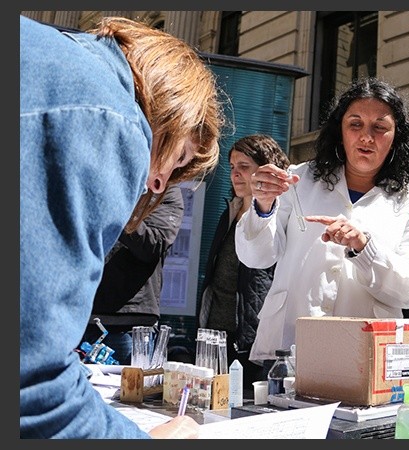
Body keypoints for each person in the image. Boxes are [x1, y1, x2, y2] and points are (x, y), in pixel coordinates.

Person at [20, 15, 222, 438]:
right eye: (180, 157)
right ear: (175, 104)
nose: (158, 182)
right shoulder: (116, 118)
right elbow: (32, 385)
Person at [235, 77, 409, 370]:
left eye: (380, 127)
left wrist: (364, 248)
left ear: (395, 137)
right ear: (340, 130)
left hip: (366, 355)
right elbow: (257, 257)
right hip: (291, 348)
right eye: (355, 124)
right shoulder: (298, 180)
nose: (366, 137)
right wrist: (263, 206)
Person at [197, 134, 290, 389]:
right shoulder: (230, 211)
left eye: (244, 167)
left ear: (266, 170)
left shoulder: (281, 216)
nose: (235, 174)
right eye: (233, 168)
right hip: (216, 336)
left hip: (252, 340)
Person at [80, 184, 184, 365]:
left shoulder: (164, 190)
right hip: (79, 317)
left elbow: (154, 245)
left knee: (129, 392)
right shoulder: (92, 178)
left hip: (130, 324)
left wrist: (118, 209)